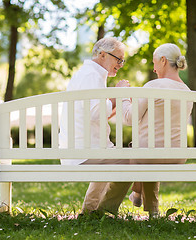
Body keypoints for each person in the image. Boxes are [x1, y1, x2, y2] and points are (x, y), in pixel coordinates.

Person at [97, 43, 193, 217]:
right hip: (177, 155)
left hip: (149, 154)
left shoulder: (154, 86)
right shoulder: (186, 90)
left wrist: (123, 95)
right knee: (150, 152)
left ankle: (105, 210)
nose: (154, 69)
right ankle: (152, 210)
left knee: (137, 155)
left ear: (163, 61)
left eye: (154, 62)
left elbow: (128, 118)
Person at [58, 37, 129, 214]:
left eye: (122, 60)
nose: (120, 64)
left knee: (117, 158)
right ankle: (103, 211)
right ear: (102, 54)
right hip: (83, 152)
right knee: (131, 161)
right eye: (118, 59)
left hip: (84, 149)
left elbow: (96, 116)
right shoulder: (91, 76)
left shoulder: (92, 74)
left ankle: (90, 211)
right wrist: (116, 96)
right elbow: (96, 113)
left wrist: (116, 101)